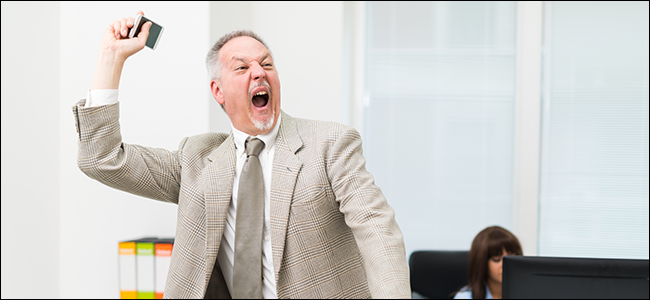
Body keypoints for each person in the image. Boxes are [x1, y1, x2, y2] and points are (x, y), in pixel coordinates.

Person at [72, 11, 410, 299]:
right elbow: (101, 158)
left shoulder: (330, 144)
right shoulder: (195, 160)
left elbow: (375, 226)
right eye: (241, 67)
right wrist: (110, 58)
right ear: (218, 91)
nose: (259, 72)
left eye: (266, 64)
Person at [453, 226, 522, 299]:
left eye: (511, 258)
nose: (505, 265)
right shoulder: (465, 297)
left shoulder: (529, 293)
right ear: (482, 263)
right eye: (497, 259)